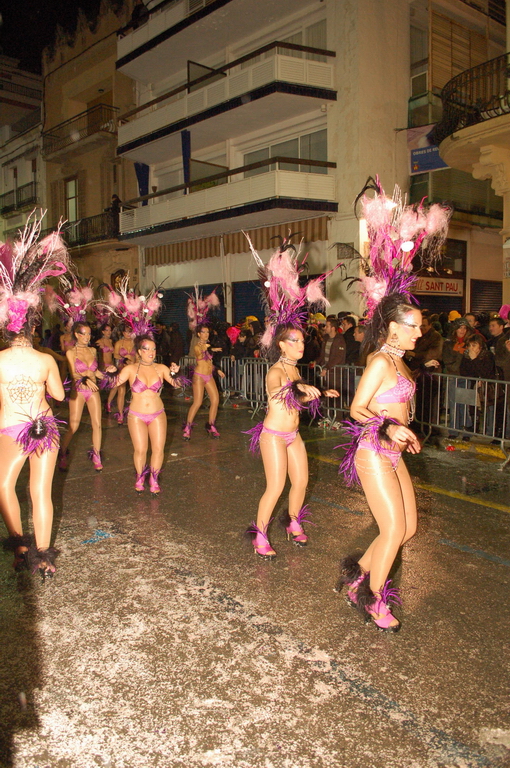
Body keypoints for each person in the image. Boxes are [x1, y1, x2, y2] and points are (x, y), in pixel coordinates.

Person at [338, 176, 451, 632]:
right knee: (391, 531)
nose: (419, 333)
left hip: (394, 452)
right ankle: (371, 598)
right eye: (413, 326)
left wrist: (402, 434)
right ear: (391, 328)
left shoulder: (402, 364)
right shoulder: (381, 363)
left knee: (407, 530)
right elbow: (356, 410)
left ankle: (356, 574)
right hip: (373, 452)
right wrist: (389, 428)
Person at [243, 233, 340, 558]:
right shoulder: (276, 371)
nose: (301, 346)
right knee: (276, 486)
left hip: (293, 434)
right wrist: (299, 389)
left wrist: (320, 391)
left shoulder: (296, 370)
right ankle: (259, 534)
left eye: (302, 342)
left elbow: (298, 396)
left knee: (301, 482)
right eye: (295, 342)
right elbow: (279, 393)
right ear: (281, 344)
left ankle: (293, 522)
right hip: (273, 436)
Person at [0, 219, 69, 579]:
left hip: (9, 427)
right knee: (40, 491)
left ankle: (20, 545)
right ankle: (45, 557)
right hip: (43, 426)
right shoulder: (45, 359)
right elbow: (58, 394)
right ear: (32, 326)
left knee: (4, 487)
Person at [114, 335, 181, 494]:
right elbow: (113, 383)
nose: (151, 352)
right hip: (136, 415)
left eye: (153, 349)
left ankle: (154, 479)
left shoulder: (162, 368)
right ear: (139, 351)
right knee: (141, 450)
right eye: (146, 349)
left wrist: (175, 374)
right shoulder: (130, 369)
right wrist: (109, 372)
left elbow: (177, 385)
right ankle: (139, 477)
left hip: (157, 414)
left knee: (158, 449)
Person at [58, 322, 115, 472]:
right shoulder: (71, 352)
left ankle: (96, 455)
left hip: (93, 390)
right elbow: (74, 373)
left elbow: (95, 372)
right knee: (74, 425)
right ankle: (62, 452)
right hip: (79, 391)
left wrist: (108, 375)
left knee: (97, 424)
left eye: (89, 334)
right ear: (77, 335)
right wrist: (84, 379)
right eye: (84, 334)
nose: (87, 337)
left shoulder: (92, 351)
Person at [182, 324, 225, 439]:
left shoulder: (208, 346)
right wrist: (206, 348)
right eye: (204, 332)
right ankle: (188, 427)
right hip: (199, 377)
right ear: (199, 334)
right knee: (197, 402)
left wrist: (217, 370)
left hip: (209, 376)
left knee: (215, 400)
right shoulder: (197, 346)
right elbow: (198, 353)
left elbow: (208, 362)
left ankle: (211, 425)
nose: (206, 334)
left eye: (207, 332)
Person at [442, 318, 475, 434]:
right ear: (455, 329)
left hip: (466, 377)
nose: (462, 330)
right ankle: (453, 431)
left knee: (465, 405)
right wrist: (460, 353)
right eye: (460, 327)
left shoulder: (469, 343)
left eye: (465, 328)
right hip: (453, 377)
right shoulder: (448, 343)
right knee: (454, 405)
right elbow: (448, 361)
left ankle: (466, 430)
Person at [112, 324, 136, 424]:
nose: (128, 334)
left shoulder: (136, 343)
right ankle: (120, 414)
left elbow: (139, 355)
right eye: (126, 331)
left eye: (130, 331)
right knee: (121, 391)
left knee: (135, 392)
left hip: (134, 369)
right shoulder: (119, 343)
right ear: (123, 333)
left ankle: (133, 412)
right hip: (122, 369)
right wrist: (124, 358)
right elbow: (115, 354)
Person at [317, 318, 346, 388]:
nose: (325, 328)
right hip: (325, 369)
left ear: (333, 328)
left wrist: (327, 367)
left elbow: (339, 357)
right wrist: (316, 361)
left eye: (327, 326)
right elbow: (322, 354)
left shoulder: (340, 340)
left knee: (334, 390)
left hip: (334, 371)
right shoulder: (326, 338)